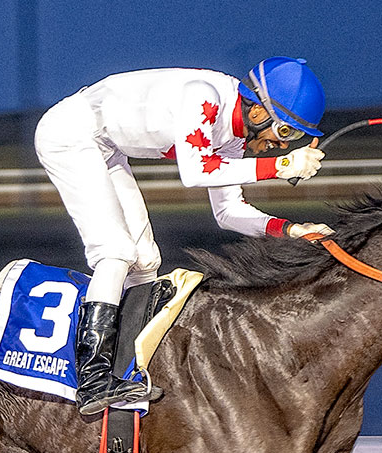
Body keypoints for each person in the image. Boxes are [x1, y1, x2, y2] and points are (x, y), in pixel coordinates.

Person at [34, 57, 335, 415]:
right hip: (70, 135)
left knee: (145, 260)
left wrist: (291, 230)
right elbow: (196, 172)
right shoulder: (203, 98)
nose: (281, 144)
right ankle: (93, 378)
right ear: (257, 113)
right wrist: (282, 167)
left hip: (105, 147)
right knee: (114, 250)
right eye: (286, 133)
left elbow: (228, 212)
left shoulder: (234, 138)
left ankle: (128, 365)